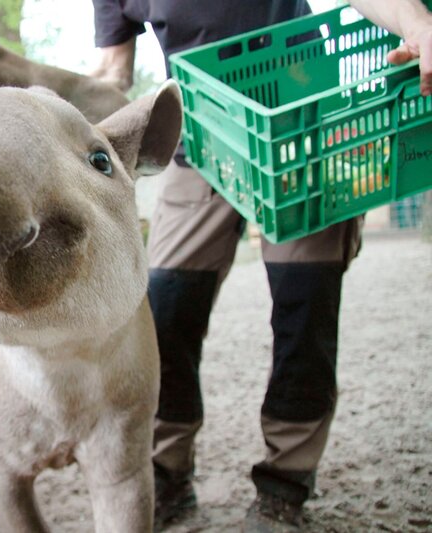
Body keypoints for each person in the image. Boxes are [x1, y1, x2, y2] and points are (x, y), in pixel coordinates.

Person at [90, 0, 432, 530]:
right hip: (198, 142)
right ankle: (168, 472)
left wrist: (418, 24)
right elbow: (114, 71)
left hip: (299, 128)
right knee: (165, 310)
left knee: (304, 306)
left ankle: (285, 482)